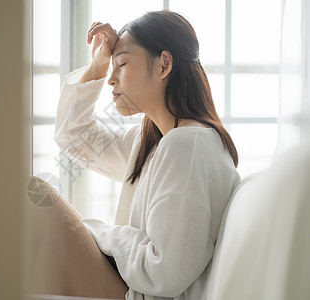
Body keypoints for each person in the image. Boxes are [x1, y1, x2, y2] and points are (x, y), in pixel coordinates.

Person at [42, 10, 241, 300]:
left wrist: (96, 232)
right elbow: (72, 136)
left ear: (164, 65)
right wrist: (97, 66)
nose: (111, 79)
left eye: (121, 63)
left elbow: (164, 273)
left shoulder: (188, 145)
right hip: (127, 284)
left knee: (37, 203)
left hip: (141, 293)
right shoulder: (151, 142)